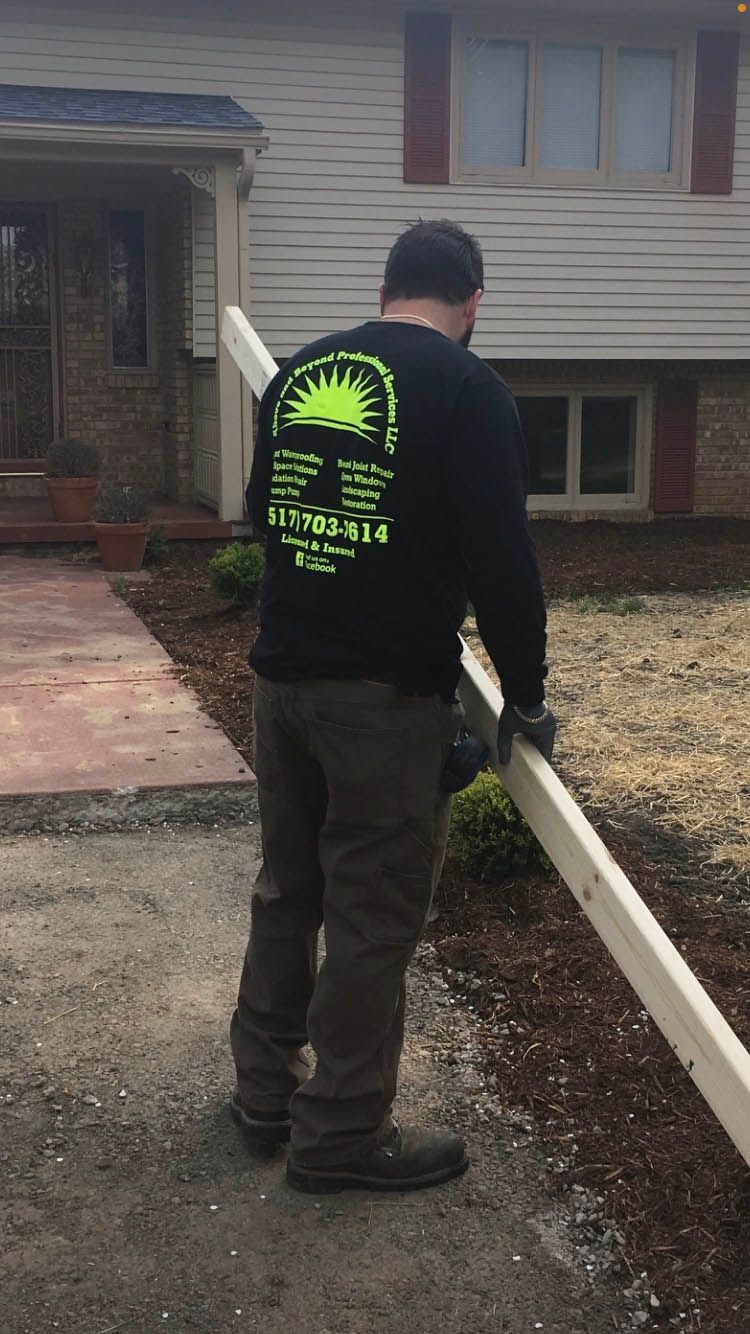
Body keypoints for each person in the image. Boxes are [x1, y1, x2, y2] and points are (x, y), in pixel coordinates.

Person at [229, 219, 556, 1195]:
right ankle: (337, 1136)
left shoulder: (300, 374)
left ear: (385, 290)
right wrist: (526, 694)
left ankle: (263, 1094)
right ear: (473, 302)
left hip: (282, 684)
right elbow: (504, 564)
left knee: (288, 890)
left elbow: (266, 513)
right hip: (383, 702)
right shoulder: (468, 391)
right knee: (372, 917)